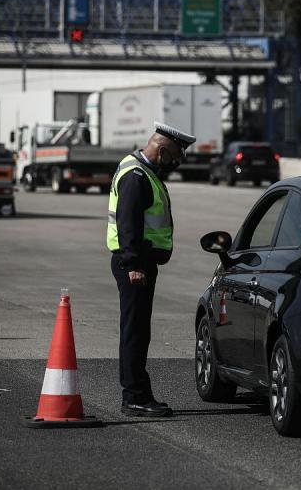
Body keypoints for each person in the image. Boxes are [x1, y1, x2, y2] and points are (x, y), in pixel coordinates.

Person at [107, 122, 195, 417]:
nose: (174, 164)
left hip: (141, 263)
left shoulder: (141, 171)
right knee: (134, 332)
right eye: (173, 157)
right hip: (134, 265)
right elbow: (127, 223)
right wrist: (133, 265)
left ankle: (138, 393)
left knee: (139, 331)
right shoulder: (136, 176)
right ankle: (134, 396)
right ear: (161, 149)